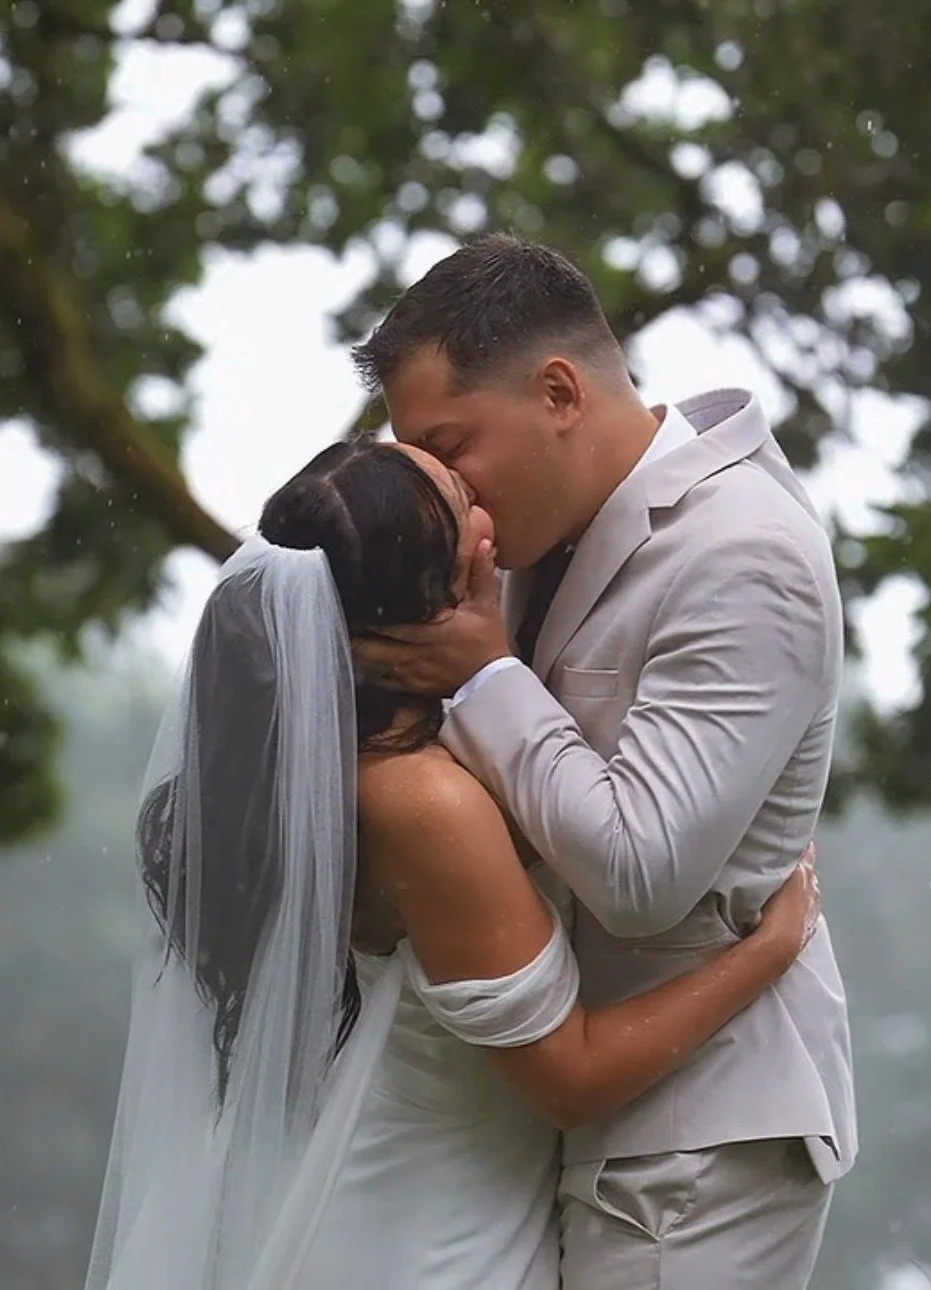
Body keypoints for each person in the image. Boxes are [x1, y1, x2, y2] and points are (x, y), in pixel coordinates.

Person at [83, 437, 820, 1290]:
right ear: (424, 596)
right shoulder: (421, 801)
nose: (488, 514)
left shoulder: (336, 761)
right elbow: (569, 1077)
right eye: (460, 504)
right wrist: (765, 951)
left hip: (382, 1194)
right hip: (421, 1240)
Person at [352, 233, 857, 1290]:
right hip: (557, 1115)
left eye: (454, 447)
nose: (453, 496)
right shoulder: (541, 534)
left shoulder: (744, 554)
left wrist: (490, 677)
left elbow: (640, 876)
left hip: (691, 1147)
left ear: (558, 393)